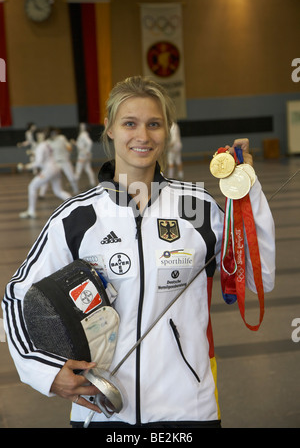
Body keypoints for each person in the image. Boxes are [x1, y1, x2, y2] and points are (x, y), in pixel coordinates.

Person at [2, 76, 275, 428]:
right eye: (130, 123)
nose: (143, 136)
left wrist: (247, 195)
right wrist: (45, 371)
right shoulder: (78, 217)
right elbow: (17, 297)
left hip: (187, 407)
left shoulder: (197, 209)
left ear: (167, 130)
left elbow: (258, 277)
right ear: (110, 129)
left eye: (154, 124)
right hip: (100, 409)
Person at [18, 127, 72, 219]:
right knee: (58, 191)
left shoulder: (41, 146)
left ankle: (31, 212)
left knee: (32, 186)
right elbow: (43, 156)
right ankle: (75, 204)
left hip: (49, 170)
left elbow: (38, 162)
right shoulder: (47, 144)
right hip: (56, 168)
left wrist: (26, 167)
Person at [74, 123, 96, 187]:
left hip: (82, 155)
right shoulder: (84, 134)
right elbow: (81, 145)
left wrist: (86, 152)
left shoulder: (83, 134)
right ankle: (92, 183)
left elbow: (89, 143)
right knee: (88, 169)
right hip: (85, 155)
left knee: (78, 168)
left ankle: (74, 183)